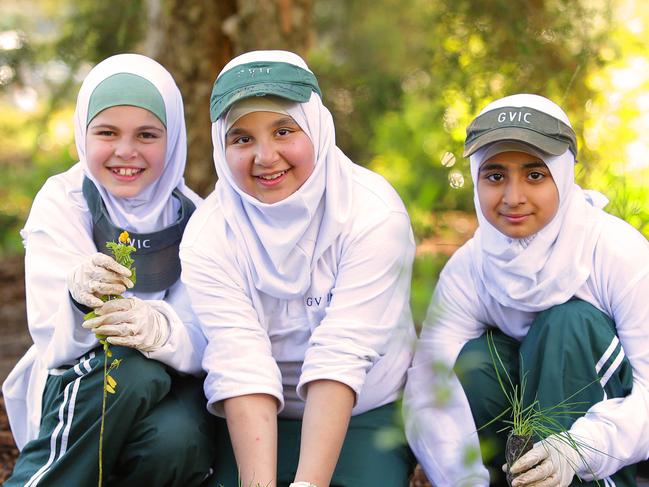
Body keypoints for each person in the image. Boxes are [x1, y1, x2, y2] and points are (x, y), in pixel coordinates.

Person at [179, 50, 416, 487]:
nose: (266, 157)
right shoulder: (208, 235)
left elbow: (343, 351)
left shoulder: (373, 214)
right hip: (254, 416)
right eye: (242, 138)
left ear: (317, 127)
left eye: (284, 130)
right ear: (220, 145)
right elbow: (240, 360)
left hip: (364, 406)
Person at [404, 93, 649, 487]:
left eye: (535, 175)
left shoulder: (615, 252)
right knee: (476, 361)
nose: (513, 197)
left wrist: (578, 449)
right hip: (512, 450)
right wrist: (461, 479)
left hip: (605, 446)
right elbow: (428, 382)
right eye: (495, 175)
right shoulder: (471, 267)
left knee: (568, 324)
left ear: (564, 176)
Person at [2, 53, 217, 486]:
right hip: (78, 383)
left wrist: (162, 331)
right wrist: (76, 293)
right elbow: (51, 334)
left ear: (173, 138)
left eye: (147, 134)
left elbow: (206, 335)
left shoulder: (197, 218)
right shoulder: (65, 200)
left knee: (177, 440)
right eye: (107, 132)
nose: (125, 151)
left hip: (169, 390)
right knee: (130, 368)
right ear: (84, 135)